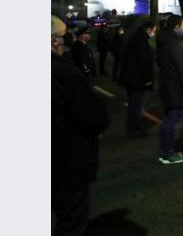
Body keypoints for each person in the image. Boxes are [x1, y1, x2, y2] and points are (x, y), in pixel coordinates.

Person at [52, 16, 110, 235]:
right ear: (54, 40)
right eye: (64, 35)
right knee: (71, 219)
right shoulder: (61, 72)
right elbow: (93, 116)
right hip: (64, 159)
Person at [157, 15, 183, 164]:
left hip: (166, 85)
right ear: (176, 26)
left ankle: (167, 150)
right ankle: (168, 153)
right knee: (171, 120)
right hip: (174, 88)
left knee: (169, 119)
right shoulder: (174, 44)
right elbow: (181, 70)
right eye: (182, 24)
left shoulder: (164, 41)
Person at [119, 21, 156, 137]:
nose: (154, 33)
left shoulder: (135, 38)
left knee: (134, 105)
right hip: (137, 80)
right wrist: (147, 79)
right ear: (149, 29)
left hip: (131, 79)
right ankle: (135, 129)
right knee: (137, 106)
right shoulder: (141, 41)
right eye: (154, 30)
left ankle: (133, 128)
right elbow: (143, 62)